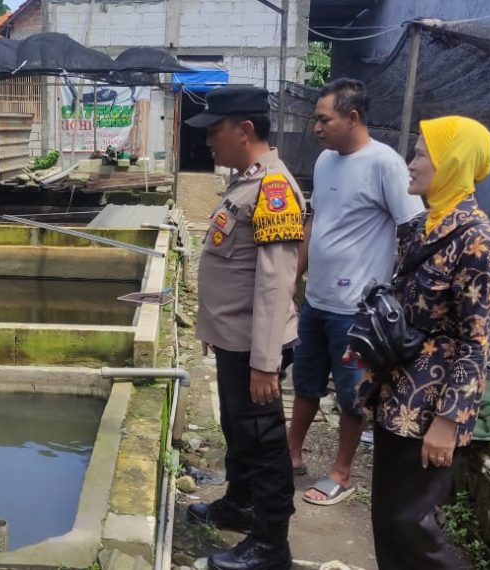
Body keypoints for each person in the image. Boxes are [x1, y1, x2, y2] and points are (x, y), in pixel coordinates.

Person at [356, 115, 490, 569]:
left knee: (411, 524)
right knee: (387, 516)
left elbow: (475, 341)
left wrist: (449, 420)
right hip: (396, 392)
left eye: (421, 154)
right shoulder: (422, 226)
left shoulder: (477, 241)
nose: (410, 163)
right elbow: (405, 307)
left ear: (451, 163)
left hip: (431, 405)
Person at [286, 78, 424, 506]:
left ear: (353, 117)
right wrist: (293, 277)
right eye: (315, 120)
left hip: (357, 310)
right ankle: (290, 454)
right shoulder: (325, 161)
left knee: (353, 394)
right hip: (316, 300)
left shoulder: (385, 164)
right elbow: (315, 222)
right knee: (305, 382)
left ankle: (342, 473)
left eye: (323, 120)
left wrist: (396, 298)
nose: (316, 128)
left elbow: (412, 229)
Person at [185, 85, 305, 570]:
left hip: (257, 348)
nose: (208, 141)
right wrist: (215, 331)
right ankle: (240, 504)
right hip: (235, 341)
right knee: (238, 431)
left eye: (214, 131)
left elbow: (275, 284)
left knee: (265, 443)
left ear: (245, 129)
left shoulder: (273, 188)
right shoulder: (245, 182)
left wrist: (264, 363)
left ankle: (271, 544)